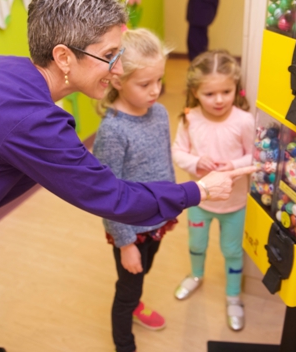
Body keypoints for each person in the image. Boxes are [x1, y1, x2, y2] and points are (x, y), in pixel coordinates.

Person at [0, 0, 254, 351]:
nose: (119, 69)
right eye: (110, 55)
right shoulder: (28, 118)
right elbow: (114, 197)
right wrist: (199, 189)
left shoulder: (2, 71)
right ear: (64, 56)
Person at [93, 28, 174, 352]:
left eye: (159, 81)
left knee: (145, 271)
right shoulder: (112, 131)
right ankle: (124, 344)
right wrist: (126, 244)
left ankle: (138, 301)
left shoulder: (161, 112)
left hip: (157, 220)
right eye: (144, 84)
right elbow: (106, 197)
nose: (155, 91)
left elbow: (164, 162)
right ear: (117, 80)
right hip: (130, 230)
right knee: (127, 288)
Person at [172, 50, 254, 332]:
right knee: (196, 244)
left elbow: (255, 156)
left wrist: (232, 164)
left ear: (235, 88)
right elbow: (178, 151)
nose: (219, 99)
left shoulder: (244, 120)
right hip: (199, 200)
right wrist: (196, 162)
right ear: (195, 92)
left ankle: (233, 296)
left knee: (232, 251)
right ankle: (196, 276)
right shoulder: (189, 118)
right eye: (210, 94)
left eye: (226, 91)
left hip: (235, 204)